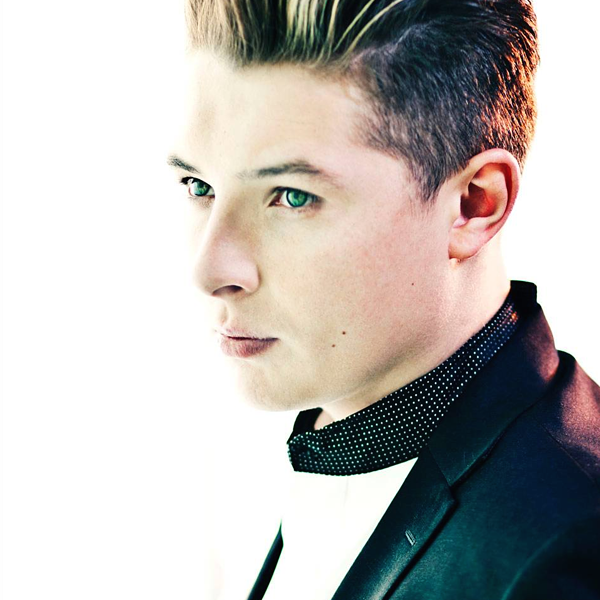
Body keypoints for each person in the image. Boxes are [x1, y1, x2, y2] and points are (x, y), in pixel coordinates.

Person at [167, 0, 600, 598]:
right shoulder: (327, 429)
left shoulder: (572, 547)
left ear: (474, 205)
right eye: (199, 186)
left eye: (293, 196)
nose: (209, 270)